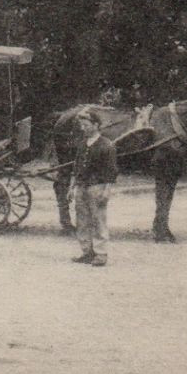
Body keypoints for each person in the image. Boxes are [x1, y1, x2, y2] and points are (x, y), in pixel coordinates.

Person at [71, 109, 118, 268]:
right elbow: (76, 167)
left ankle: (101, 254)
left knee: (98, 220)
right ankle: (87, 252)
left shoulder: (107, 145)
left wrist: (107, 190)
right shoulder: (82, 144)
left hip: (97, 187)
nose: (83, 128)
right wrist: (72, 188)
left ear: (96, 125)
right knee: (82, 220)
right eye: (82, 125)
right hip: (81, 187)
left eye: (86, 125)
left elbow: (111, 171)